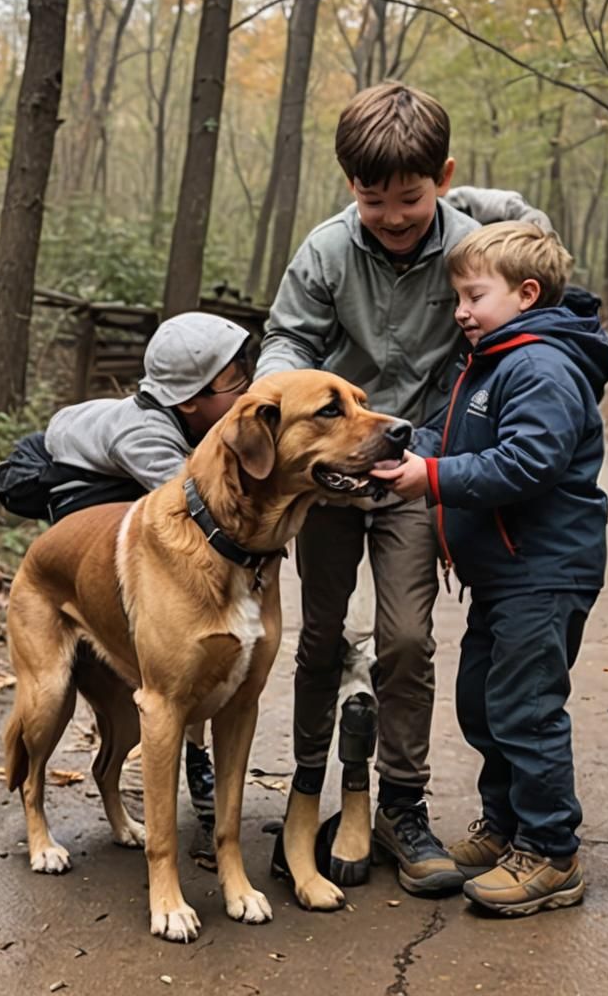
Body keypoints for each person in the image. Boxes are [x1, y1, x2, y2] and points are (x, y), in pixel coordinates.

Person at [256, 80, 489, 906]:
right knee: (318, 636)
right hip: (329, 476)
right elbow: (286, 336)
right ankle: (308, 787)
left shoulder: (472, 247)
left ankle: (401, 804)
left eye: (411, 198)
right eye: (372, 197)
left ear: (443, 178)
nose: (391, 215)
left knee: (406, 641)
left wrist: (439, 455)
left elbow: (507, 320)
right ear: (349, 184)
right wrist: (280, 399)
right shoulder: (324, 252)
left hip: (415, 469)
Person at [371, 221, 608, 915]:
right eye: (456, 298)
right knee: (484, 700)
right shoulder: (492, 361)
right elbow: (445, 435)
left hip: (544, 570)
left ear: (526, 292)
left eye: (474, 295)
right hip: (504, 574)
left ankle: (550, 851)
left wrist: (434, 479)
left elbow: (529, 461)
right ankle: (506, 825)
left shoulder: (542, 365)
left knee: (526, 710)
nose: (461, 311)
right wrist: (391, 448)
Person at [0, 311, 251, 845]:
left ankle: (183, 761)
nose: (248, 388)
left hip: (111, 514)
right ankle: (35, 811)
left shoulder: (178, 417)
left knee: (173, 680)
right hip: (80, 545)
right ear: (189, 400)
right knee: (47, 705)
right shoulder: (146, 437)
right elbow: (199, 506)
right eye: (237, 382)